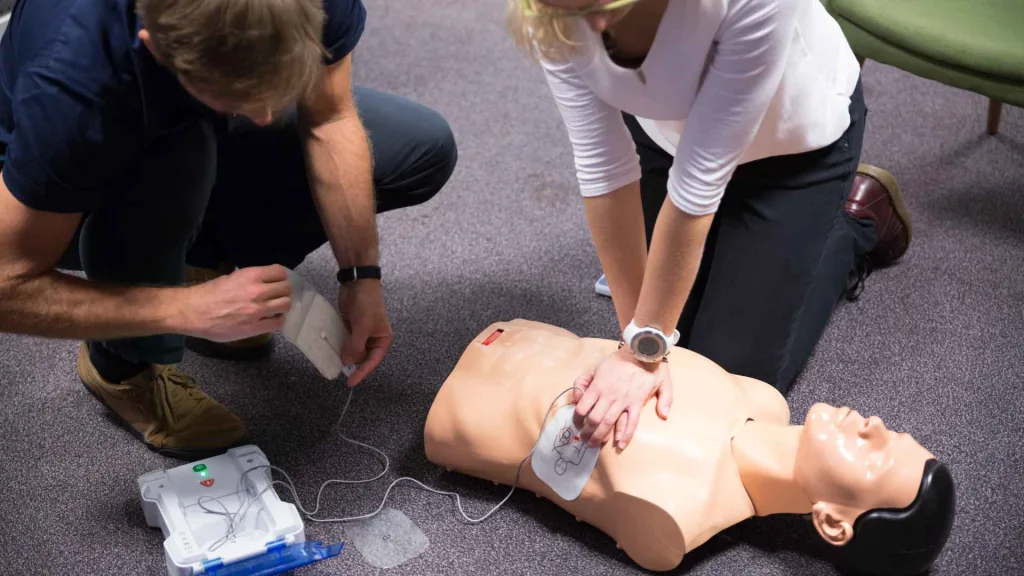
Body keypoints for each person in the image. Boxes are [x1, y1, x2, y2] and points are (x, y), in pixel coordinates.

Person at [0, 0, 457, 459]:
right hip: (53, 199)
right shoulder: (72, 87)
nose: (263, 114)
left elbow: (330, 118)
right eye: (239, 94)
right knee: (179, 158)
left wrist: (360, 277)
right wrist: (182, 310)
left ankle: (197, 263)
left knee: (421, 147)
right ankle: (122, 365)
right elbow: (8, 286)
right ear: (155, 45)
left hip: (170, 109)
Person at [504, 0, 912, 449]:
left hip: (792, 155)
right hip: (666, 140)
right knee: (672, 357)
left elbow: (698, 187)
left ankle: (852, 223)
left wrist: (642, 357)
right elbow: (603, 166)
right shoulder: (551, 11)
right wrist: (637, 344)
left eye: (603, 5)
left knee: (728, 385)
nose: (595, 23)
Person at [424, 319, 955, 575]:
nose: (876, 425)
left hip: (459, 410)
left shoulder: (675, 516)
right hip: (519, 333)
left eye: (877, 456)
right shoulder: (762, 399)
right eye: (894, 433)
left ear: (833, 523)